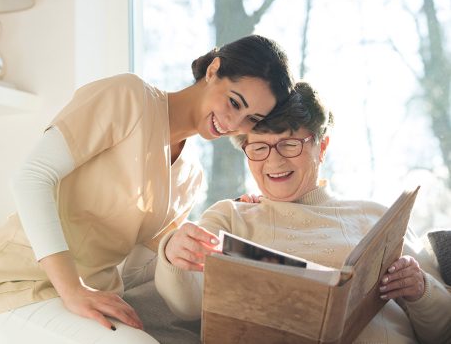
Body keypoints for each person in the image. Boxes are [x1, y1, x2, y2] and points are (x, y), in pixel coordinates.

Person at [0, 35, 295, 344]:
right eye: (234, 102)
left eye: (251, 119)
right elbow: (30, 178)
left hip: (85, 302)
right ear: (214, 70)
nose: (234, 124)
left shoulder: (191, 175)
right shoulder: (128, 97)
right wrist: (72, 289)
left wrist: (185, 248)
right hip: (10, 290)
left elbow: (136, 272)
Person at [155, 82, 451, 344]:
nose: (273, 160)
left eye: (289, 144)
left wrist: (420, 289)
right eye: (258, 147)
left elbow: (442, 330)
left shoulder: (378, 217)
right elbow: (187, 305)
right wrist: (173, 253)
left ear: (321, 146)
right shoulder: (231, 216)